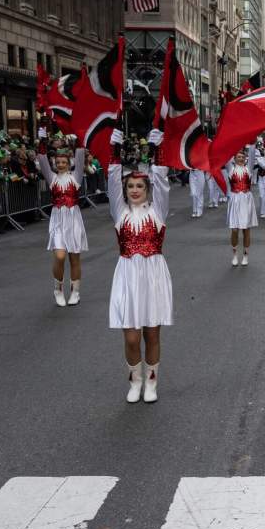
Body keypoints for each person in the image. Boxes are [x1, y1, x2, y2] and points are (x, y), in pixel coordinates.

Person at [107, 128, 171, 404]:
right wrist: (114, 152)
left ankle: (152, 382)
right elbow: (111, 181)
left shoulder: (158, 211)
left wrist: (157, 153)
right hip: (127, 277)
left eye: (139, 186)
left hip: (153, 277)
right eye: (130, 186)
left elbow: (162, 181)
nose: (134, 190)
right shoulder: (119, 213)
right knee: (132, 338)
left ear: (147, 189)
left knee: (152, 333)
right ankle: (135, 380)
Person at [36, 125, 88, 306]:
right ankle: (58, 289)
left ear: (69, 162)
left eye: (63, 162)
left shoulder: (76, 177)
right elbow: (42, 159)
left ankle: (75, 291)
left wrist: (80, 134)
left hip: (74, 219)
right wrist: (42, 140)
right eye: (57, 162)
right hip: (58, 220)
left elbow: (81, 154)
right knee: (59, 255)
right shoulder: (52, 179)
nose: (60, 165)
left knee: (74, 257)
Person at [226, 148, 258, 265]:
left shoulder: (248, 169)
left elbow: (252, 153)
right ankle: (235, 255)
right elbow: (225, 156)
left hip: (246, 200)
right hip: (235, 200)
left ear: (245, 159)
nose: (241, 159)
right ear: (234, 159)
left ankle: (245, 255)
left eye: (243, 157)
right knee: (234, 230)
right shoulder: (231, 169)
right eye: (238, 157)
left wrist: (252, 143)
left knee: (246, 230)